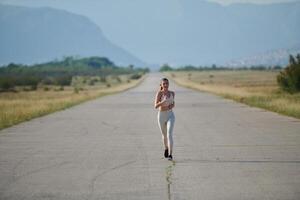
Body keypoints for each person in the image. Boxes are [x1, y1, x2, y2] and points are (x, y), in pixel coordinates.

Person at [154, 78, 175, 160]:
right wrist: (163, 102)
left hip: (170, 115)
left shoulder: (172, 93)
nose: (166, 85)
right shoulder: (159, 93)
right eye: (164, 84)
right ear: (161, 85)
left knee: (169, 134)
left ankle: (170, 154)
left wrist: (172, 106)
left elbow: (173, 103)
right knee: (164, 135)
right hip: (161, 115)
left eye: (167, 83)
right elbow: (155, 106)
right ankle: (166, 148)